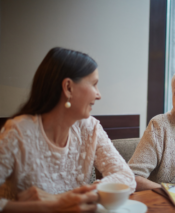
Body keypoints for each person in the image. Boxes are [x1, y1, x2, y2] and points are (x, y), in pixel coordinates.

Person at [0, 47, 136, 212]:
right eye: (94, 84)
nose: (98, 95)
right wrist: (54, 204)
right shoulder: (18, 132)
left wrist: (66, 198)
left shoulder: (90, 127)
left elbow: (127, 178)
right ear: (68, 87)